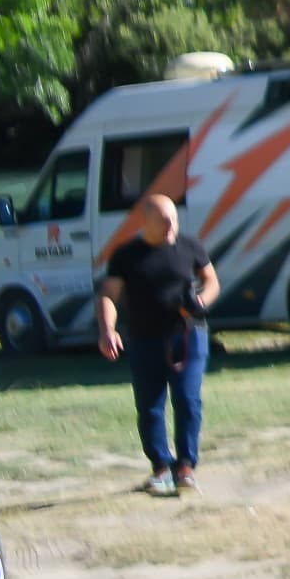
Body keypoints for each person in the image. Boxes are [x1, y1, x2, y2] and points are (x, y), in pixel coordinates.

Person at [98, 191, 218, 498]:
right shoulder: (126, 254)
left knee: (188, 400)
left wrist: (200, 302)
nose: (170, 226)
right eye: (163, 221)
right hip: (143, 339)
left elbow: (211, 280)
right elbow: (109, 295)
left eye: (174, 220)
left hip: (188, 337)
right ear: (145, 221)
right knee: (149, 407)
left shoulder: (189, 246)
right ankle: (160, 468)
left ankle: (186, 467)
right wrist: (108, 329)